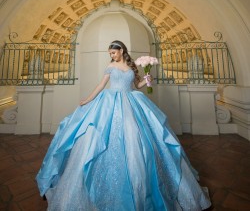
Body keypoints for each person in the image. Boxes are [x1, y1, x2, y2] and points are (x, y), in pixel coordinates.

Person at [36, 40, 211, 211]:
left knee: (137, 138)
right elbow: (101, 85)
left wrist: (148, 79)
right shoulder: (111, 66)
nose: (111, 55)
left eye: (113, 52)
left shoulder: (131, 66)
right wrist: (88, 99)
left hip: (131, 101)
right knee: (102, 136)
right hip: (110, 102)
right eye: (110, 53)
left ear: (121, 51)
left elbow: (137, 86)